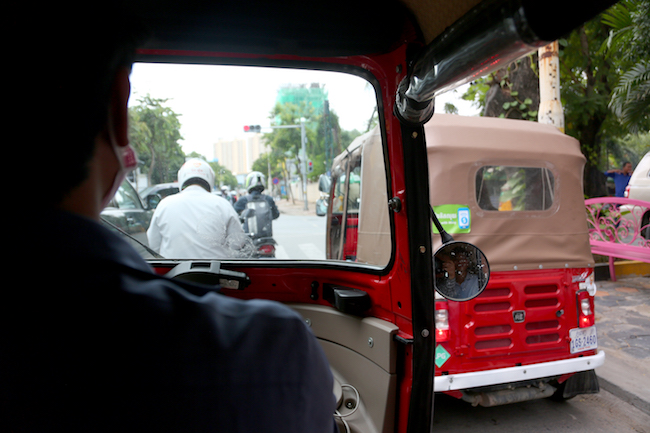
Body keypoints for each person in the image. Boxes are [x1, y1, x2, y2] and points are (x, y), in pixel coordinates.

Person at [4, 4, 337, 432]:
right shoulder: (273, 353)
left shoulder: (163, 206)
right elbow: (239, 248)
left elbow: (158, 251)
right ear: (119, 110)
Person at [147, 159, 252, 259]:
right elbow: (238, 243)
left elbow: (154, 244)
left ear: (181, 178)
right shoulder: (222, 204)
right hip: (216, 273)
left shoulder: (164, 204)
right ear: (210, 179)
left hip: (173, 274)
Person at [235, 171, 280, 237]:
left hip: (250, 238)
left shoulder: (243, 200)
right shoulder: (268, 199)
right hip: (267, 237)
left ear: (249, 183)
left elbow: (234, 216)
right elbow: (276, 215)